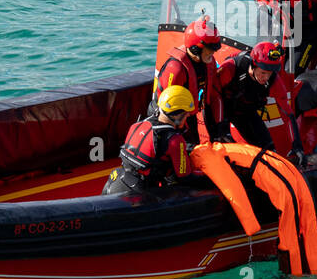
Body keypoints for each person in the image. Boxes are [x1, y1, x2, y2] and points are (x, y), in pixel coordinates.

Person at [102, 86, 196, 195]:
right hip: (139, 194)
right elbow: (185, 177)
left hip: (116, 180)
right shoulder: (175, 140)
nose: (188, 115)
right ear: (177, 114)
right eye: (186, 112)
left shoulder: (137, 125)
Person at [214, 41, 299, 154]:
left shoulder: (274, 80)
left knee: (269, 150)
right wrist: (221, 128)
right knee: (222, 143)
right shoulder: (231, 67)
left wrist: (297, 145)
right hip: (221, 108)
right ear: (253, 65)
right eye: (263, 72)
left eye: (270, 73)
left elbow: (288, 114)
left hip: (246, 111)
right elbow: (213, 96)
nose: (266, 78)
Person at [152, 15, 224, 145]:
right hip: (168, 117)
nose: (212, 54)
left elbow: (214, 95)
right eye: (209, 50)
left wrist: (219, 128)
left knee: (195, 148)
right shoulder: (176, 69)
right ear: (195, 49)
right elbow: (167, 108)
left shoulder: (209, 62)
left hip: (187, 114)